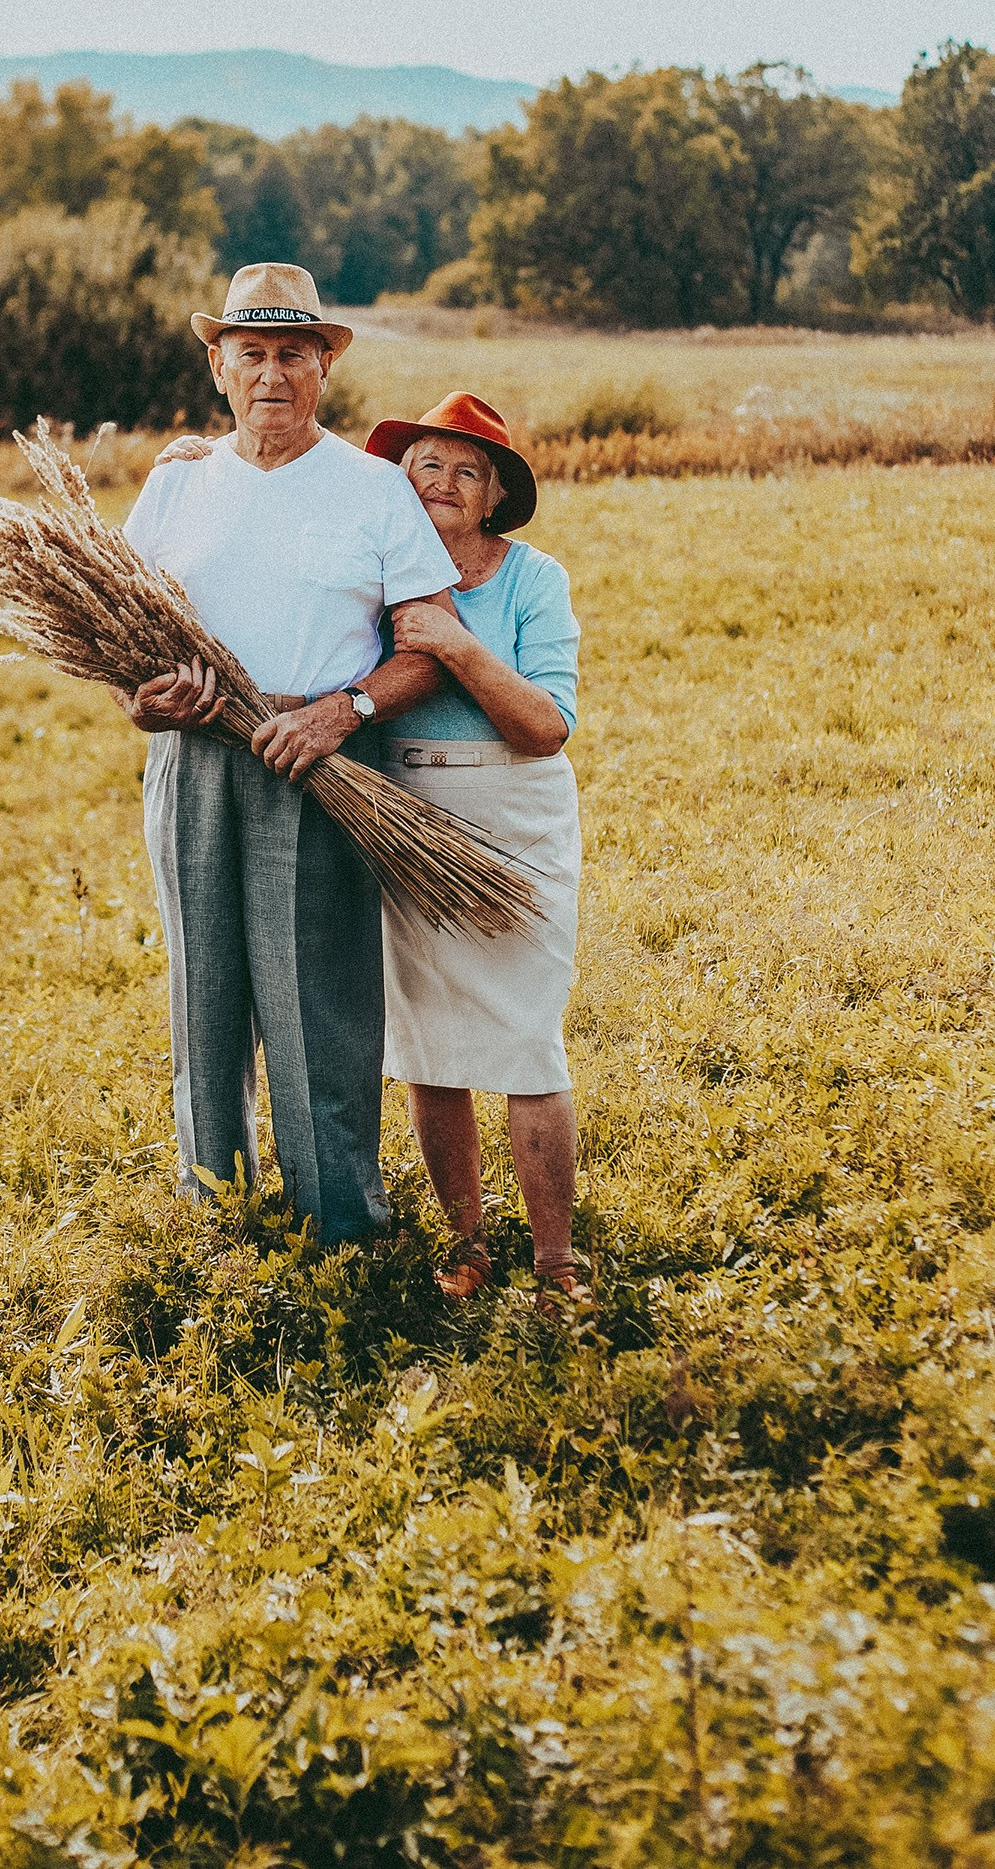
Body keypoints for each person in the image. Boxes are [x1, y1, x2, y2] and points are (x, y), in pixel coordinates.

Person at [119, 264, 459, 1246]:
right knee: (204, 993)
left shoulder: (370, 489)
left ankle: (341, 1224)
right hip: (194, 760)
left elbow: (427, 644)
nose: (271, 374)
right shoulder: (177, 484)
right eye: (251, 354)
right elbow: (123, 638)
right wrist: (142, 702)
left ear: (323, 368)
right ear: (218, 367)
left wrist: (342, 712)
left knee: (318, 998)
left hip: (319, 765)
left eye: (292, 355)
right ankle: (214, 1217)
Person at [364, 391, 588, 1309]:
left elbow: (544, 726)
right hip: (404, 809)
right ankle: (466, 1249)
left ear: (494, 494)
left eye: (466, 471)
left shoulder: (534, 580)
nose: (443, 484)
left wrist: (454, 644)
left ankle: (554, 1264)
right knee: (432, 1047)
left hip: (514, 809)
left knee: (526, 1040)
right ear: (399, 482)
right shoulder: (374, 572)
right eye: (426, 466)